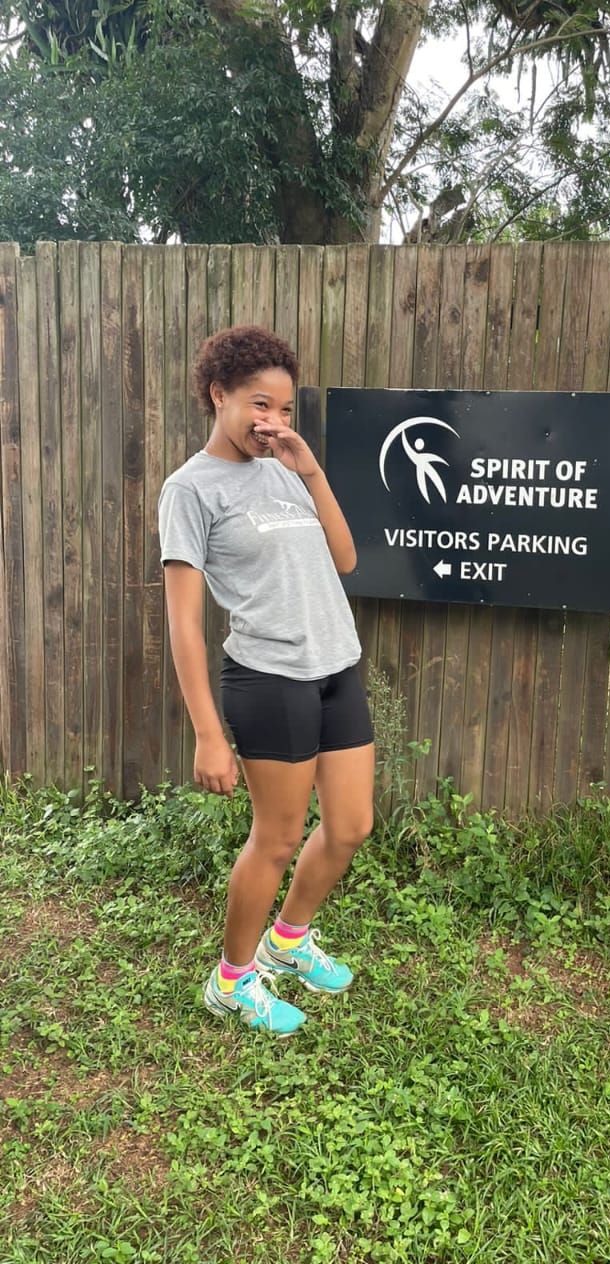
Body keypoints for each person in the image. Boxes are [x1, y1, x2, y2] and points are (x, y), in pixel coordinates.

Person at [159, 325, 374, 1037]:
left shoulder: (285, 470)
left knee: (349, 827)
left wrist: (309, 470)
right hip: (268, 678)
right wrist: (207, 734)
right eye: (259, 404)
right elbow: (186, 624)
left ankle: (289, 941)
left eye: (283, 410)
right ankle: (232, 979)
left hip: (335, 667)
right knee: (276, 838)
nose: (272, 423)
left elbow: (344, 559)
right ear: (218, 395)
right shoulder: (189, 489)